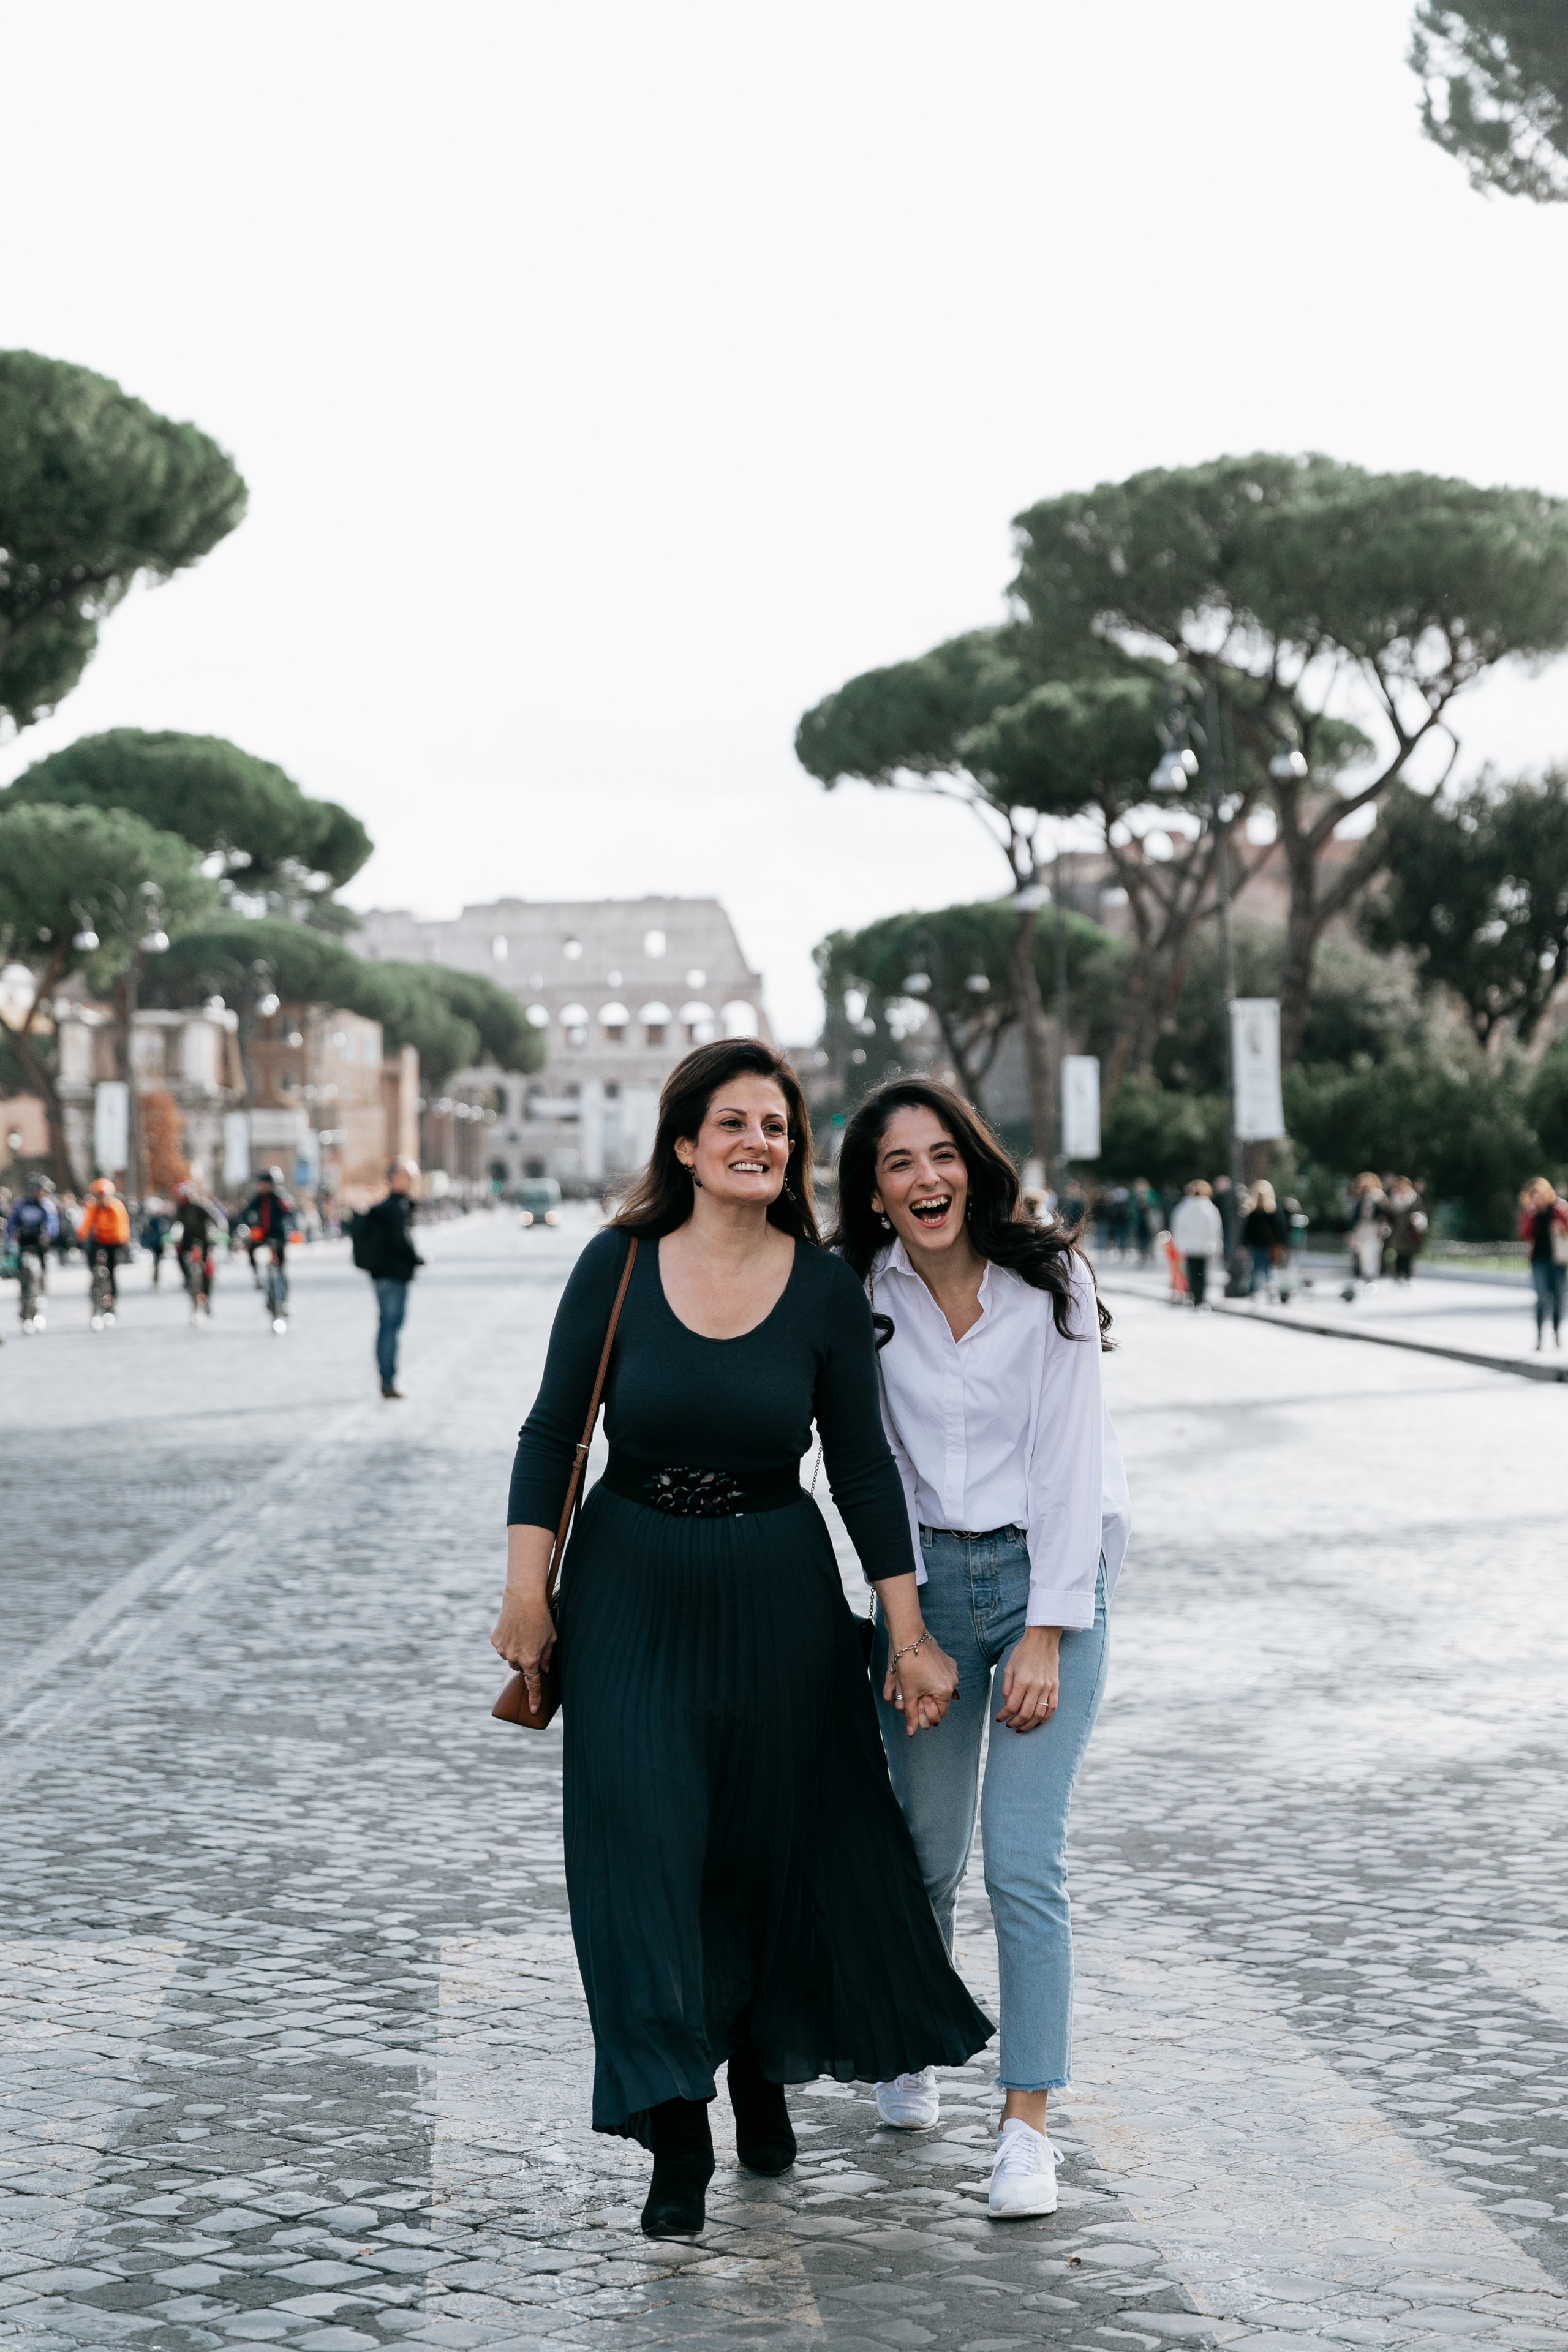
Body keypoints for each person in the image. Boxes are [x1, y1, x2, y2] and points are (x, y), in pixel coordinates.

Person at [490, 1040, 991, 2242]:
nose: (758, 1142)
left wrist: (904, 1630)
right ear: (682, 1144)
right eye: (732, 1124)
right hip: (629, 1589)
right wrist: (526, 1593)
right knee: (640, 1852)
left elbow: (862, 1467)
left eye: (776, 1126)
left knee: (769, 1853)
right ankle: (676, 2123)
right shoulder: (614, 1266)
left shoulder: (821, 1286)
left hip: (777, 1588)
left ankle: (760, 2069)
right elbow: (554, 1431)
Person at [831, 1078, 1129, 2222]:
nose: (926, 1179)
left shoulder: (1051, 1283)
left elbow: (1073, 1468)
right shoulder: (861, 1295)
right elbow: (874, 1470)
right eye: (899, 1163)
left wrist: (1046, 1632)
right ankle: (912, 2040)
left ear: (974, 1164)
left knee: (1022, 1861)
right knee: (925, 1848)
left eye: (942, 1154)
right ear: (875, 1190)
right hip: (928, 1590)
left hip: (1052, 1578)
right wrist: (909, 1635)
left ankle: (1027, 2124)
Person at [352, 1159, 424, 1397]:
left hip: (380, 1275)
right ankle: (388, 1381)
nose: (413, 1181)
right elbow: (401, 1240)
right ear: (396, 1178)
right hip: (394, 1276)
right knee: (390, 1328)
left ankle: (386, 1378)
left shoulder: (386, 1206)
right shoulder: (396, 1207)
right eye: (409, 1176)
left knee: (386, 1325)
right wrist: (417, 1258)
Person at [1517, 1177, 1568, 1352]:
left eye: (1539, 1195)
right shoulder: (1531, 1213)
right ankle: (1539, 1337)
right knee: (1541, 1298)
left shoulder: (1559, 1209)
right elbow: (1523, 1234)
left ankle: (1556, 1332)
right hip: (1539, 1260)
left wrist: (1561, 1227)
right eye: (1534, 1196)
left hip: (1558, 1260)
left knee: (1559, 1297)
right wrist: (1529, 1216)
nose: (1537, 1199)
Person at [6, 1175, 59, 1332]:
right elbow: (12, 1224)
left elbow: (52, 1223)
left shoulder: (46, 1206)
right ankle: (24, 1308)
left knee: (41, 1271)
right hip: (24, 1244)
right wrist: (10, 1241)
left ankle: (40, 1297)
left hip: (39, 1244)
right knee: (23, 1278)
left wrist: (48, 1235)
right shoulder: (21, 1205)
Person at [78, 1177, 131, 1327]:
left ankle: (112, 1301)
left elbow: (122, 1226)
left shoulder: (116, 1207)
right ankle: (95, 1287)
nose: (101, 1198)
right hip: (99, 1241)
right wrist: (81, 1238)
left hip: (114, 1241)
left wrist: (122, 1242)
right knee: (94, 1266)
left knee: (112, 1271)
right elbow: (86, 1224)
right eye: (98, 1195)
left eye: (103, 1195)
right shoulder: (92, 1207)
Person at [170, 1180, 227, 1323]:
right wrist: (173, 1235)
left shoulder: (202, 1206)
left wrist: (218, 1232)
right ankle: (187, 1279)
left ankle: (207, 1297)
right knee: (181, 1256)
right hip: (188, 1239)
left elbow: (216, 1219)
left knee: (207, 1269)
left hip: (205, 1238)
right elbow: (176, 1224)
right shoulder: (180, 1208)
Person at [1170, 1179, 1223, 1308]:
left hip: (1190, 1247)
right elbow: (1215, 1228)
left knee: (1192, 1273)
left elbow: (1177, 1227)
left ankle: (1195, 1296)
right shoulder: (1209, 1208)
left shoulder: (1183, 1207)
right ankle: (1201, 1298)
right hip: (1206, 1247)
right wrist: (1217, 1246)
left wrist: (1178, 1244)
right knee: (1204, 1273)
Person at [237, 1167, 294, 1288]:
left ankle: (283, 1290)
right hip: (262, 1234)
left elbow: (289, 1216)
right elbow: (246, 1215)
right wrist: (247, 1228)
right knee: (250, 1248)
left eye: (266, 1184)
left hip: (278, 1234)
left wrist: (289, 1232)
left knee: (281, 1264)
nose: (263, 1187)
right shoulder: (257, 1200)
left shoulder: (280, 1200)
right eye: (261, 1184)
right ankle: (257, 1275)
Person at [1241, 1179, 1288, 1308]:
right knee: (1269, 1269)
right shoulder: (1274, 1211)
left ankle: (1254, 1292)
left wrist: (1244, 1245)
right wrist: (1282, 1245)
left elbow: (1247, 1232)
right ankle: (1270, 1286)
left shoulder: (1253, 1213)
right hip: (1270, 1246)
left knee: (1256, 1269)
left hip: (1256, 1245)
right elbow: (1281, 1230)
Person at [1342, 1171, 1389, 1300]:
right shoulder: (1359, 1199)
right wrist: (1351, 1232)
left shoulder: (1379, 1198)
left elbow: (1385, 1214)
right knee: (1361, 1252)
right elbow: (1354, 1217)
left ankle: (1371, 1277)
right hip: (1361, 1229)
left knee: (1372, 1251)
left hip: (1374, 1228)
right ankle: (1364, 1276)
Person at [1385, 1178, 1428, 1284]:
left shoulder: (1415, 1199)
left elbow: (1421, 1212)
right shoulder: (1393, 1199)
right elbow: (1390, 1214)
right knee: (1398, 1253)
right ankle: (1399, 1273)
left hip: (1410, 1231)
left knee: (1408, 1253)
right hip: (1398, 1231)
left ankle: (1408, 1274)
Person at [140, 1196, 172, 1285]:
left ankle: (156, 1275)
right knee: (156, 1259)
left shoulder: (163, 1219)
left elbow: (166, 1230)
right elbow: (147, 1231)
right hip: (155, 1243)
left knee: (158, 1260)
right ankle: (156, 1276)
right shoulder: (152, 1220)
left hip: (160, 1242)